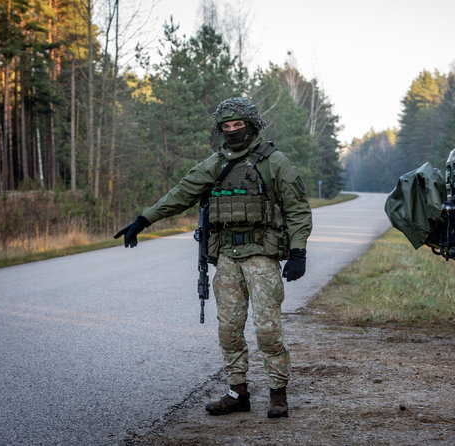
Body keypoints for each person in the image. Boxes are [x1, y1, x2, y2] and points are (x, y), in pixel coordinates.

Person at [114, 97, 313, 419]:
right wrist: (144, 219)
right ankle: (238, 393)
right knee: (229, 331)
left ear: (252, 125)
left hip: (261, 255)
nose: (232, 131)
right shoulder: (215, 164)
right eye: (226, 127)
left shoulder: (275, 163)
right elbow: (180, 193)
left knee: (268, 331)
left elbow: (297, 210)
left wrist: (299, 252)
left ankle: (278, 394)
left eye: (238, 125)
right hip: (227, 258)